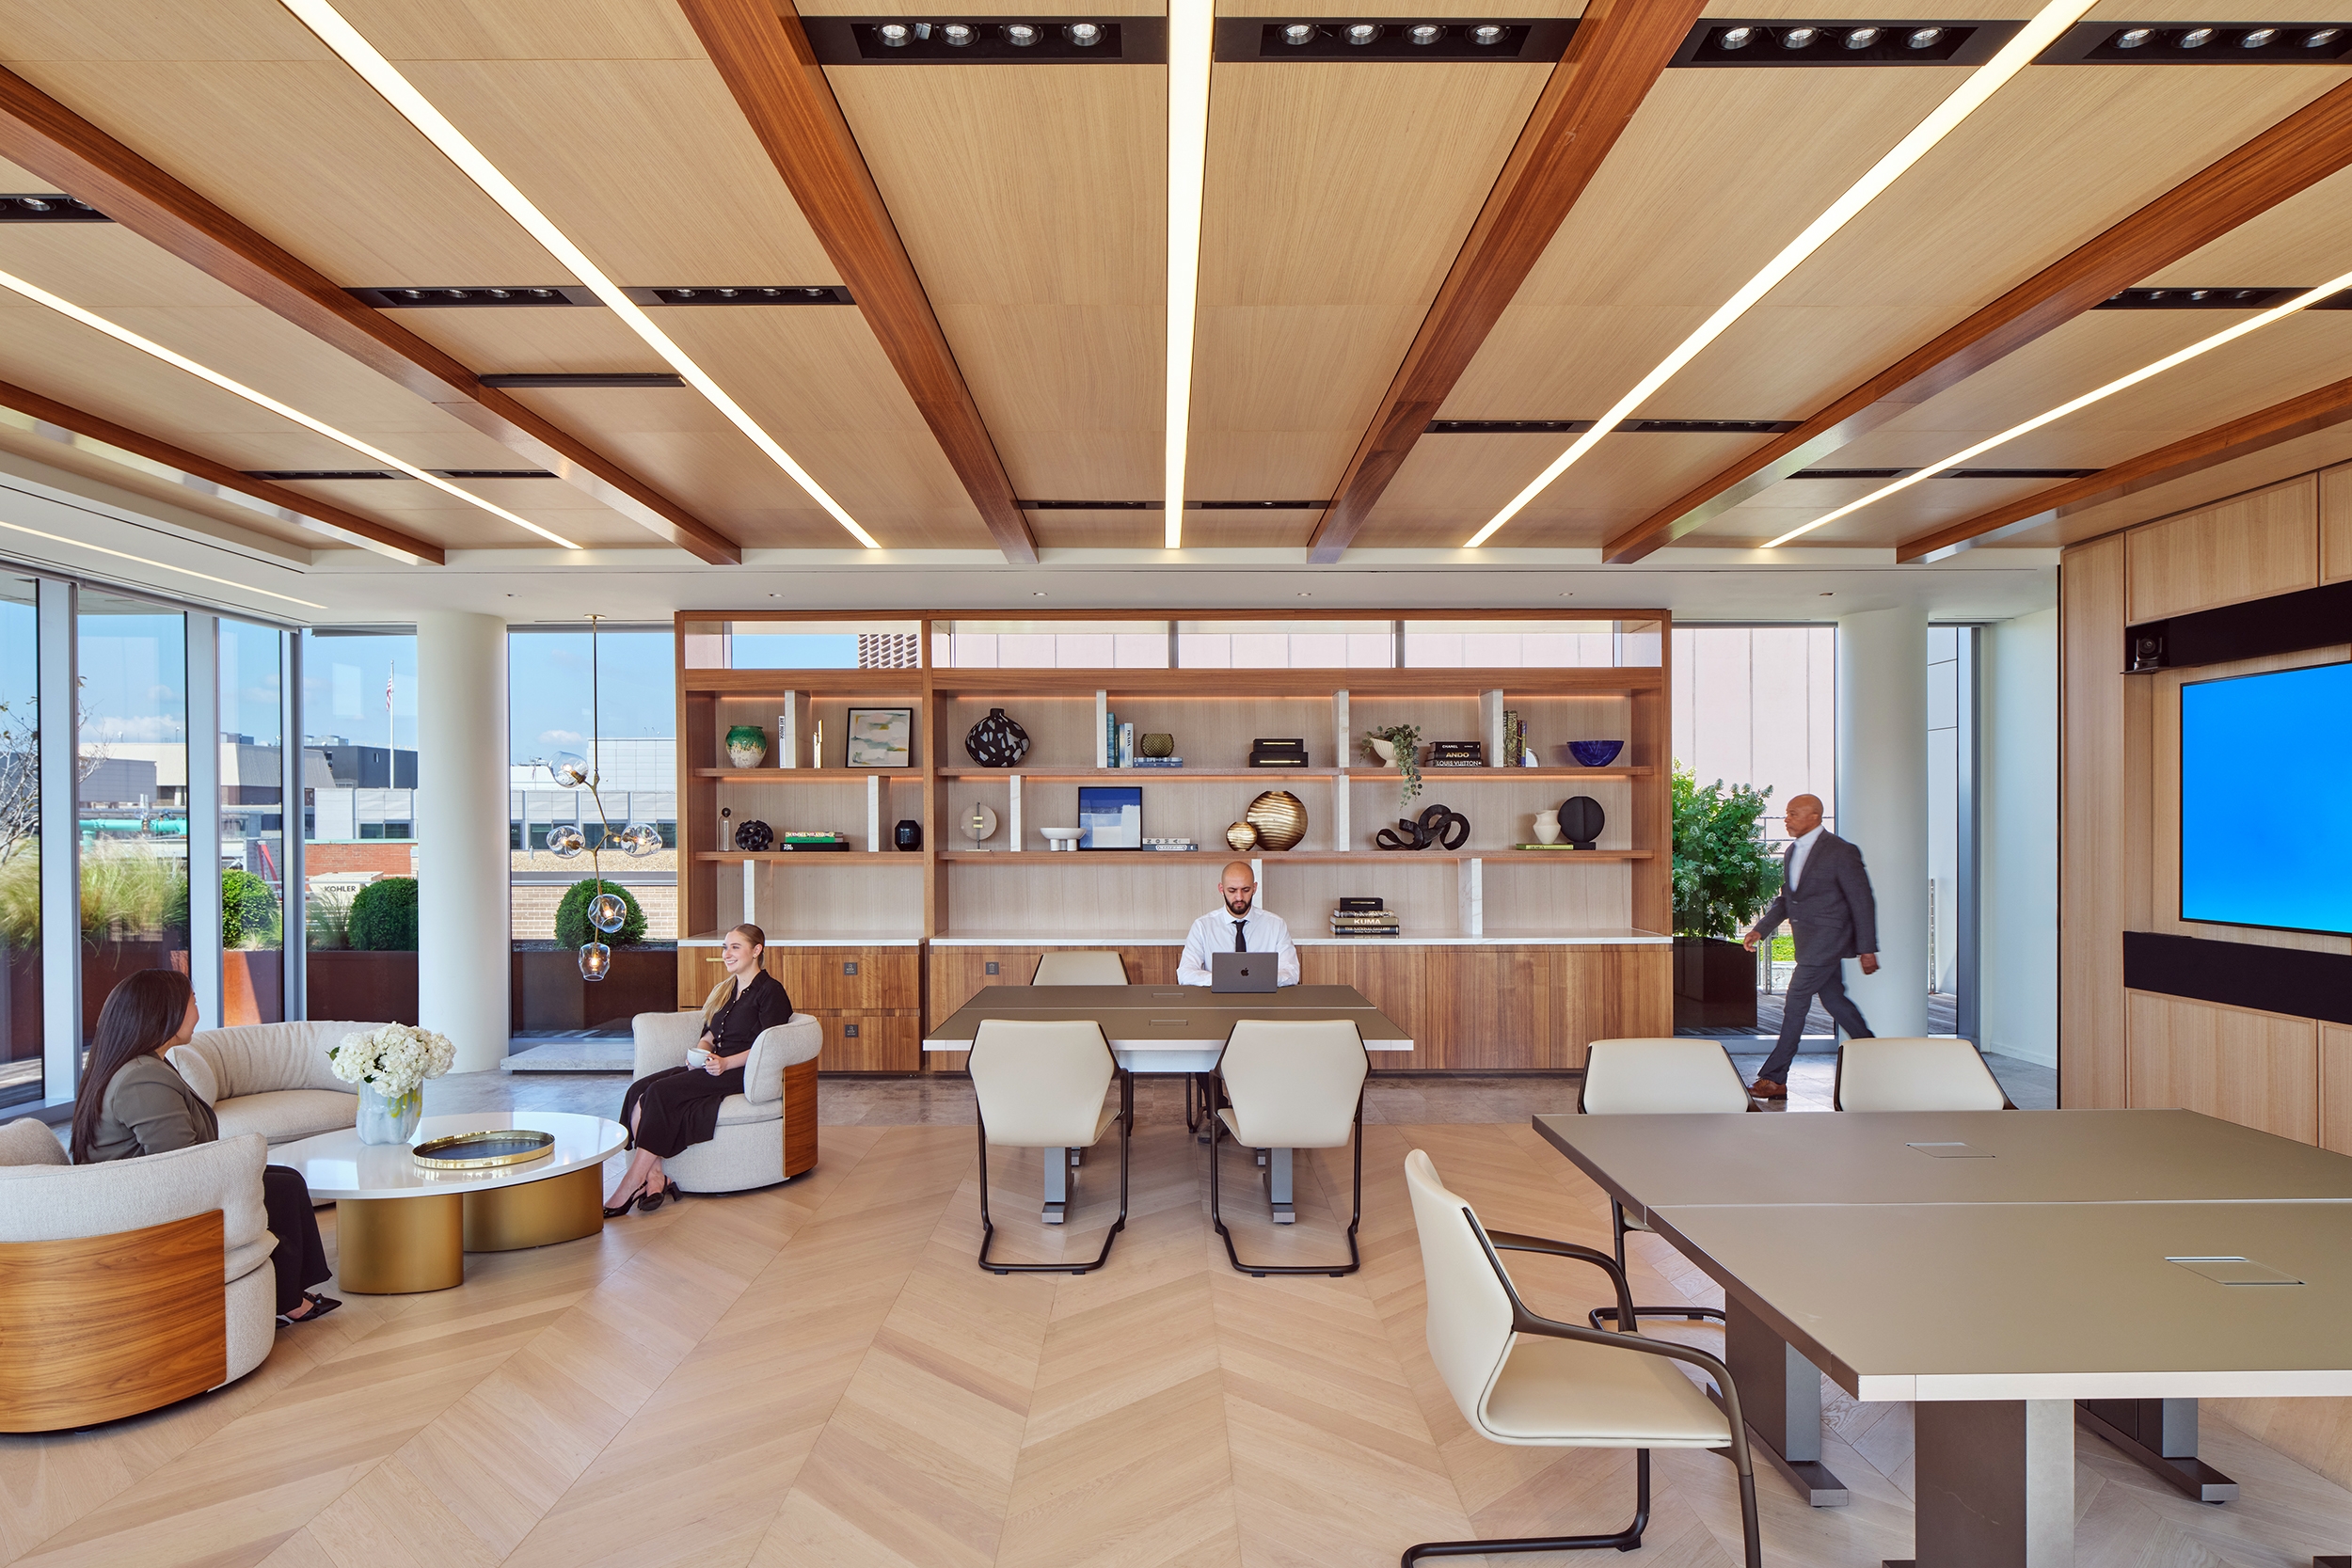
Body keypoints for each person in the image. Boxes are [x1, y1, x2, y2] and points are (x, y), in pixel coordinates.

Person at [71, 969, 340, 1326]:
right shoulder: (141, 1077)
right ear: (164, 1012)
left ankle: (287, 1294)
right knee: (282, 1188)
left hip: (146, 1187)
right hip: (148, 1203)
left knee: (284, 1179)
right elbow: (183, 1161)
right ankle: (288, 1300)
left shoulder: (144, 1064)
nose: (198, 1013)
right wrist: (238, 1161)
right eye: (193, 1003)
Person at [611, 923, 792, 1214]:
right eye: (725, 947)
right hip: (712, 1065)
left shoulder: (771, 991)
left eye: (735, 947)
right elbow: (710, 1032)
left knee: (659, 1093)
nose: (727, 953)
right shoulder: (726, 989)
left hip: (740, 1070)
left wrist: (726, 1063)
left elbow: (768, 1046)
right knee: (638, 1090)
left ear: (756, 950)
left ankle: (631, 1181)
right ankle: (656, 1177)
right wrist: (702, 1050)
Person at [1742, 793, 1878, 1101]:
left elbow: (1862, 901)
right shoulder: (1792, 851)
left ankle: (1775, 1078)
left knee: (1796, 1001)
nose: (1786, 819)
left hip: (1828, 941)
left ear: (1814, 816)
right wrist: (1760, 929)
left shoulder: (1841, 851)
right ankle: (1876, 1056)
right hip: (1808, 943)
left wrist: (1867, 948)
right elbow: (1787, 900)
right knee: (1835, 1001)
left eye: (1793, 813)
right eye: (1786, 813)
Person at [1178, 862, 1298, 987]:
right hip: (1217, 996)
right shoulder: (1202, 927)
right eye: (1232, 890)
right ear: (1221, 889)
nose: (1239, 897)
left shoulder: (1276, 925)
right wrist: (1224, 979)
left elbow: (1291, 972)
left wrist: (1258, 978)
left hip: (1264, 996)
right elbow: (1185, 973)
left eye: (1246, 890)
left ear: (1254, 888)